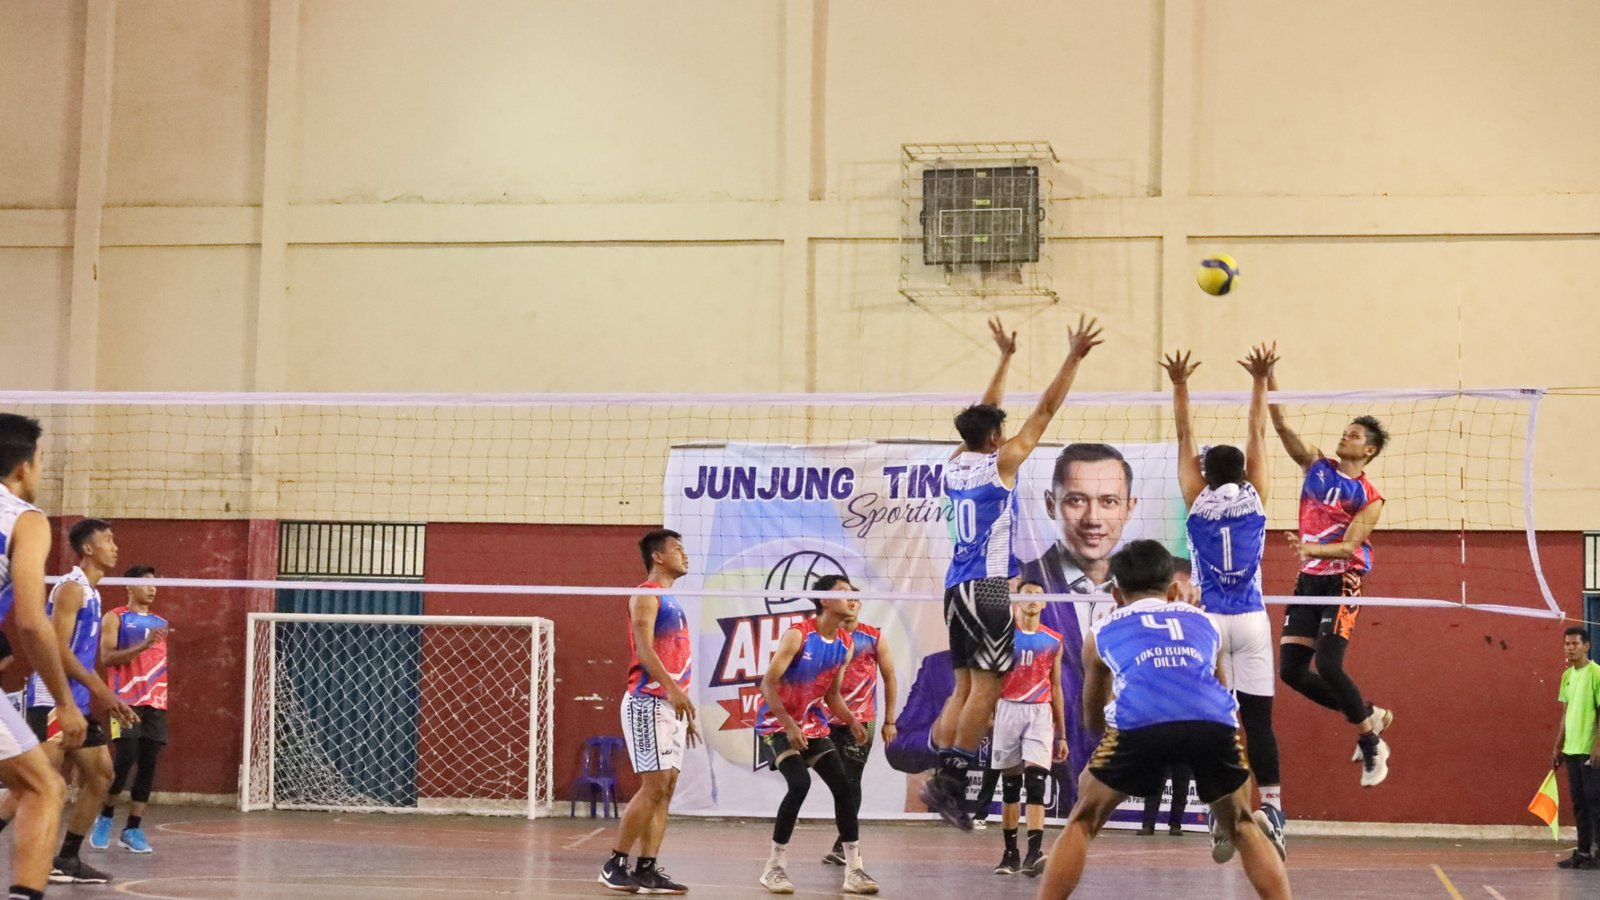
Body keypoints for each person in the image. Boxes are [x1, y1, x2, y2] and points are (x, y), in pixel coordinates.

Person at [922, 314, 1103, 831]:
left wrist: (1004, 359)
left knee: (963, 687)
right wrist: (1073, 357)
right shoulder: (1000, 464)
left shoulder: (954, 463)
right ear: (997, 438)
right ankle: (951, 781)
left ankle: (943, 775)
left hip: (956, 588)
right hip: (988, 588)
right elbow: (1045, 410)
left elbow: (980, 420)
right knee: (991, 686)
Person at [1036, 540, 1291, 899]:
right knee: (1243, 824)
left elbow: (1091, 718)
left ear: (1116, 595)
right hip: (1212, 724)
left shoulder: (1101, 633)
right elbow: (1220, 693)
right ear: (1172, 590)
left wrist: (1110, 756)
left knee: (1082, 820)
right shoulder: (1207, 623)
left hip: (1140, 723)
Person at [1166, 345, 1288, 858]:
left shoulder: (1196, 502)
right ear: (1243, 472)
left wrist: (1179, 384)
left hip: (1210, 624)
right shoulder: (1256, 497)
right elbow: (1257, 431)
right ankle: (1273, 810)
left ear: (1206, 473)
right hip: (1252, 619)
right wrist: (1260, 379)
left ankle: (1222, 814)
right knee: (1259, 722)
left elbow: (1183, 435)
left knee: (1216, 723)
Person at [1268, 374, 1393, 786]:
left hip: (1343, 579)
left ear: (1368, 450)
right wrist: (1267, 379)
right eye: (1345, 431)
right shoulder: (1316, 467)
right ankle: (1368, 713)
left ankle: (1371, 742)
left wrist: (1312, 549)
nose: (1345, 436)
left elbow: (1350, 546)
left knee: (1328, 663)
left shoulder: (1370, 498)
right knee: (1291, 671)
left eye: (1354, 435)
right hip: (1309, 579)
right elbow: (1282, 426)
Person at [0, 413, 85, 900]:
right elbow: (32, 622)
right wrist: (65, 703)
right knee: (44, 787)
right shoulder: (24, 519)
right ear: (23, 468)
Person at [755, 578, 876, 895]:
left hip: (812, 723)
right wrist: (789, 725)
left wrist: (852, 721)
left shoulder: (845, 644)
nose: (851, 598)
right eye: (843, 592)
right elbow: (768, 685)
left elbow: (832, 695)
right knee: (800, 784)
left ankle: (854, 870)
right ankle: (774, 867)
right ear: (824, 600)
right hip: (776, 724)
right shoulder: (799, 635)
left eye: (853, 594)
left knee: (844, 787)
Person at [599, 529, 698, 895]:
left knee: (666, 788)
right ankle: (614, 865)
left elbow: (675, 660)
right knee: (653, 786)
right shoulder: (646, 594)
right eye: (678, 549)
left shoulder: (672, 600)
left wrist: (682, 703)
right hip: (646, 701)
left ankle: (647, 869)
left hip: (670, 705)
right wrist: (673, 691)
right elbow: (644, 651)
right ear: (658, 556)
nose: (685, 555)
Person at [91, 565, 170, 854]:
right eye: (146, 583)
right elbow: (106, 657)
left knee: (148, 764)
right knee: (125, 759)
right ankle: (105, 816)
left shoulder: (161, 622)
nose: (152, 588)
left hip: (155, 702)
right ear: (129, 586)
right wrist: (143, 645)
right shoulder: (115, 617)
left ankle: (132, 829)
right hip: (124, 701)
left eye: (154, 584)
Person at [990, 583, 1066, 878]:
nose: (1033, 599)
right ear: (1017, 601)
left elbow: (1056, 686)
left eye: (1038, 595)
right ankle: (1010, 853)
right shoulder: (1003, 636)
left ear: (1045, 603)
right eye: (1027, 594)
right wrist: (987, 714)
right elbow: (991, 679)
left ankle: (1034, 853)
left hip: (1040, 712)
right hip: (1008, 708)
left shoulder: (1053, 640)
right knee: (1010, 785)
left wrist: (1062, 734)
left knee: (1036, 782)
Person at [822, 577, 897, 868]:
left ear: (860, 604)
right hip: (825, 720)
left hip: (862, 721)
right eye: (846, 597)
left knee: (851, 779)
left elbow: (889, 677)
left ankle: (845, 844)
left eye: (855, 597)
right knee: (823, 780)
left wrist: (889, 720)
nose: (851, 601)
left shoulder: (873, 637)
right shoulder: (825, 636)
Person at [1553, 626, 1600, 870]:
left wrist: (1597, 745)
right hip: (1571, 750)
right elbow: (1566, 713)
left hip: (1589, 750)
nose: (1570, 648)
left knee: (1595, 802)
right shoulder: (1567, 676)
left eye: (1575, 644)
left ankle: (1598, 853)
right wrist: (1558, 745)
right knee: (1579, 803)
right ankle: (1582, 851)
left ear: (1586, 646)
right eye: (1567, 644)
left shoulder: (1596, 674)